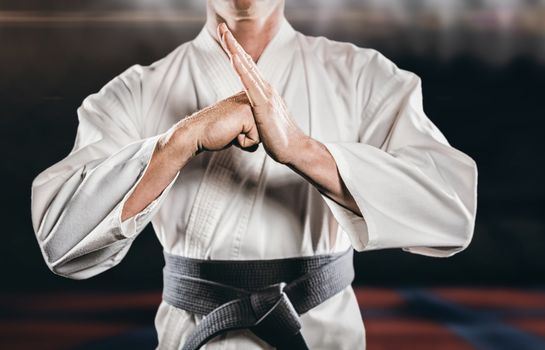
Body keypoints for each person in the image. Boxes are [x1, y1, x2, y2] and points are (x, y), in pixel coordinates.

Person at [30, 0, 478, 349]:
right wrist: (179, 141)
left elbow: (451, 214)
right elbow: (61, 242)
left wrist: (304, 151)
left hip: (321, 335)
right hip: (196, 335)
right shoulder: (137, 91)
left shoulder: (363, 77)